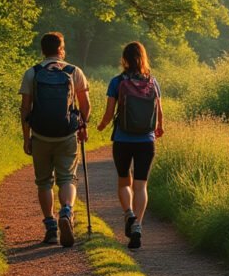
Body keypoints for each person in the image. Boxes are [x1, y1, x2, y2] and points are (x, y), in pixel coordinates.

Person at [20, 32, 91, 247]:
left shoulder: (32, 73)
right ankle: (66, 211)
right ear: (62, 48)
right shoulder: (73, 71)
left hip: (40, 134)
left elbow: (25, 108)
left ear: (43, 50)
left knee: (44, 181)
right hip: (66, 133)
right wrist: (82, 125)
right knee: (67, 178)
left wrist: (27, 137)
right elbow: (85, 104)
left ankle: (51, 227)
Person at [96, 42, 164, 249]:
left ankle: (129, 214)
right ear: (144, 58)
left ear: (124, 59)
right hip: (146, 140)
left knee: (124, 181)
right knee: (141, 184)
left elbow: (109, 113)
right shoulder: (152, 81)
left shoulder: (117, 82)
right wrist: (159, 128)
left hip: (123, 139)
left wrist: (101, 126)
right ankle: (138, 226)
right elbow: (159, 112)